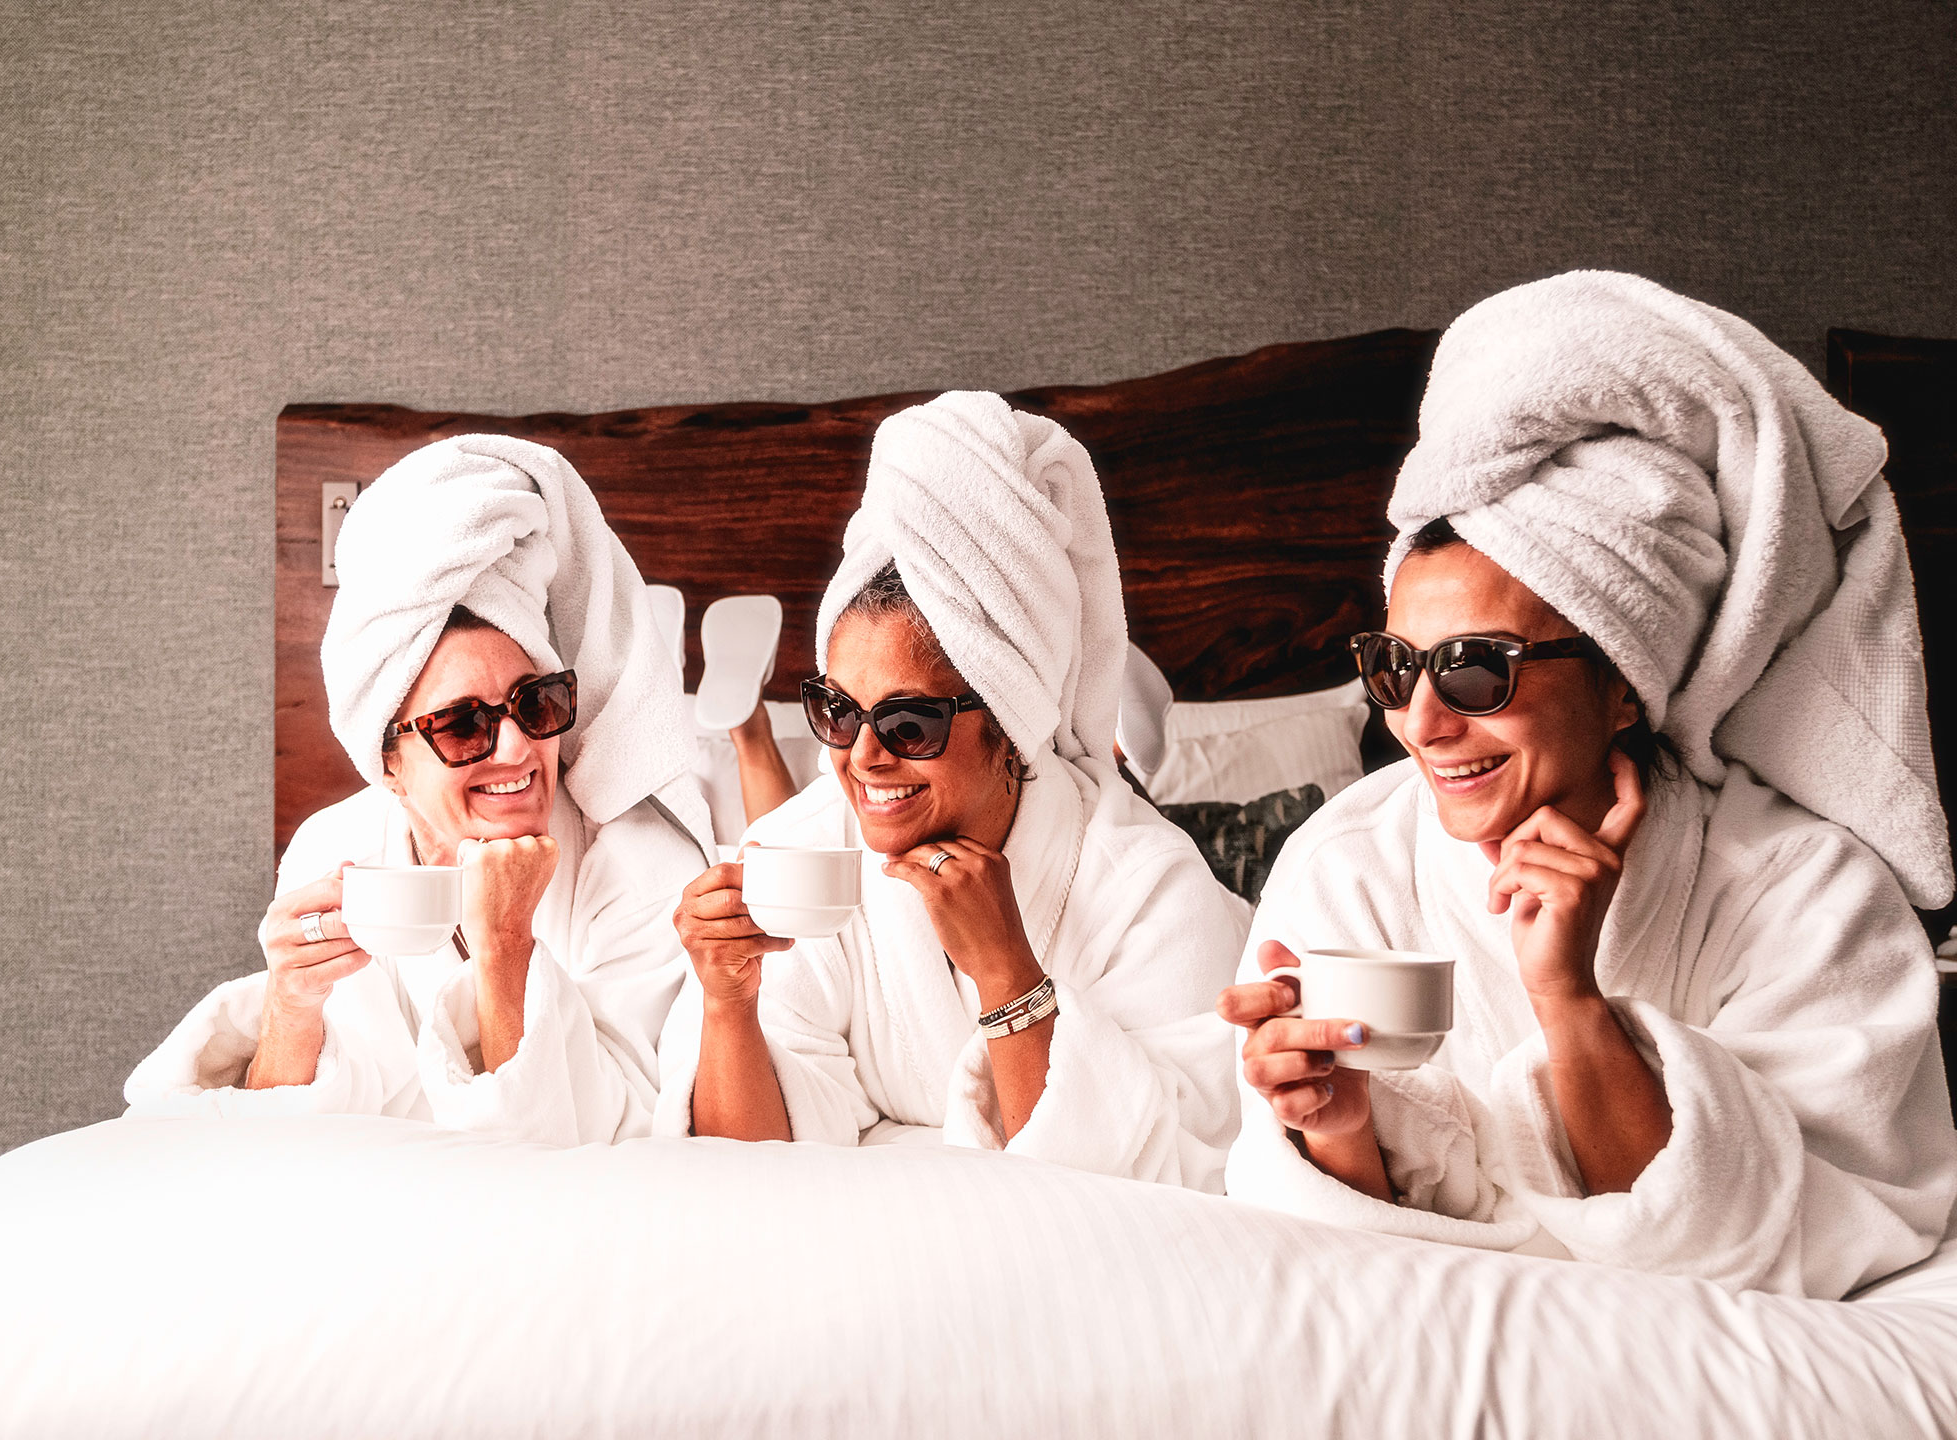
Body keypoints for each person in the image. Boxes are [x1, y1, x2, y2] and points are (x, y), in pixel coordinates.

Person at [1220, 272, 1957, 1297]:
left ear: (1621, 685)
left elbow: (1794, 1242)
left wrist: (1568, 1001)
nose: (1421, 723)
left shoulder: (1808, 887)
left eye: (1476, 670)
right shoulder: (1348, 864)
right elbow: (1329, 1248)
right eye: (1395, 667)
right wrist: (1337, 1126)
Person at [655, 391, 1249, 1189]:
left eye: (909, 723)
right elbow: (744, 1174)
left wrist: (1008, 972)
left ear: (1010, 719)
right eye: (838, 712)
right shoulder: (796, 855)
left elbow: (1170, 1180)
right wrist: (727, 1002)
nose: (863, 757)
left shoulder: (1148, 888)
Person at [126, 435, 712, 1141]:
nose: (518, 748)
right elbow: (275, 1143)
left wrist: (505, 947)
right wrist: (291, 1003)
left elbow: (622, 1136)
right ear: (388, 764)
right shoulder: (334, 849)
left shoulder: (641, 861)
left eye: (536, 702)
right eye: (462, 725)